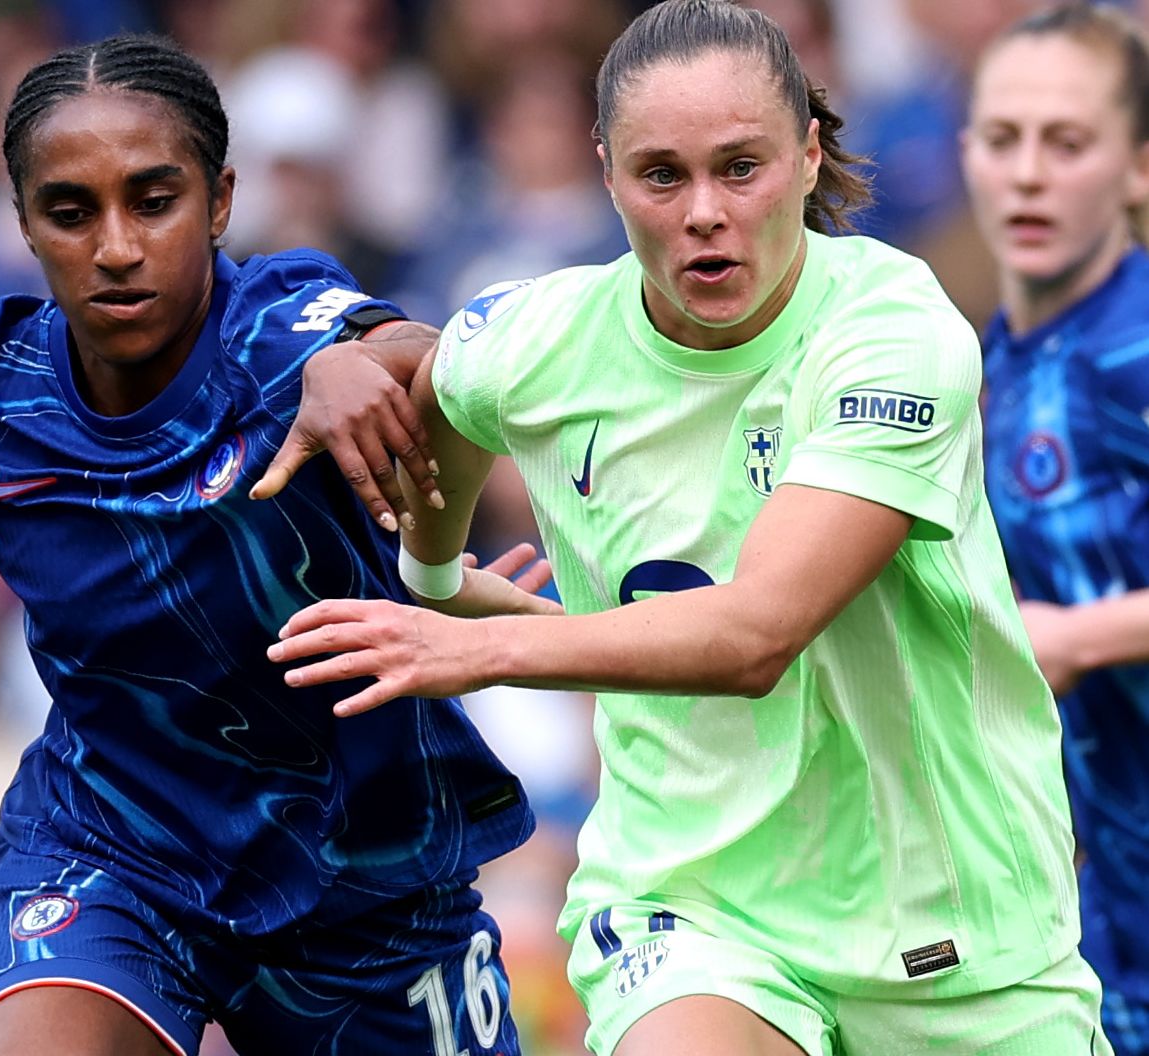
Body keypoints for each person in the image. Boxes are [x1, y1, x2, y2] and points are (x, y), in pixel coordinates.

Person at [270, 1, 1103, 1054]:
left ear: (806, 155)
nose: (702, 210)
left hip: (950, 925)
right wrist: (430, 570)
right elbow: (446, 386)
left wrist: (474, 642)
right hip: (693, 910)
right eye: (660, 175)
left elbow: (758, 634)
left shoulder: (892, 333)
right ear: (606, 172)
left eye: (739, 167)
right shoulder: (538, 331)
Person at [0, 34, 537, 1056]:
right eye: (69, 211)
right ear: (21, 225)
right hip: (113, 857)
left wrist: (367, 360)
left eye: (152, 198)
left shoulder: (283, 329)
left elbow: (408, 353)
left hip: (369, 881)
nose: (116, 246)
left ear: (219, 201)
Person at [962, 6, 1149, 1054]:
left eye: (1065, 143)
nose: (1026, 173)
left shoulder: (1133, 349)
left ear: (1135, 167)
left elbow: (1057, 634)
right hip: (1104, 905)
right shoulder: (998, 358)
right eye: (1001, 139)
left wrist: (1075, 639)